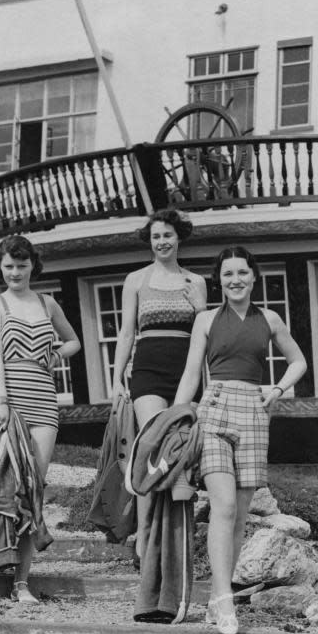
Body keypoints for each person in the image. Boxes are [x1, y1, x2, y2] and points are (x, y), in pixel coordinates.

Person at [174, 246, 307, 634]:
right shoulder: (204, 319)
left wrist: (278, 390)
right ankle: (225, 601)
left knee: (241, 511)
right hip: (213, 408)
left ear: (253, 277)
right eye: (228, 274)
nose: (235, 280)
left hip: (253, 409)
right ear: (219, 279)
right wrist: (177, 417)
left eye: (242, 273)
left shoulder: (269, 318)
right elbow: (189, 375)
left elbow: (298, 361)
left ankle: (219, 595)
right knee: (225, 505)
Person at [0, 234, 81, 602]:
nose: (15, 272)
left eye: (22, 265)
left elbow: (74, 342)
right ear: (0, 267)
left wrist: (56, 354)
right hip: (6, 398)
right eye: (9, 265)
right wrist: (3, 402)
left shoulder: (46, 302)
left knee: (32, 488)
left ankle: (22, 582)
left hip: (43, 399)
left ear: (32, 266)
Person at [110, 208, 208, 569]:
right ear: (149, 241)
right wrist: (117, 376)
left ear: (178, 237)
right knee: (152, 446)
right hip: (148, 369)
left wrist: (200, 307)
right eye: (156, 236)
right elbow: (126, 332)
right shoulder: (136, 279)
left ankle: (174, 538)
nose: (162, 242)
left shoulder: (195, 282)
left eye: (167, 235)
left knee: (178, 449)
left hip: (186, 371)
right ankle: (146, 536)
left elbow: (205, 332)